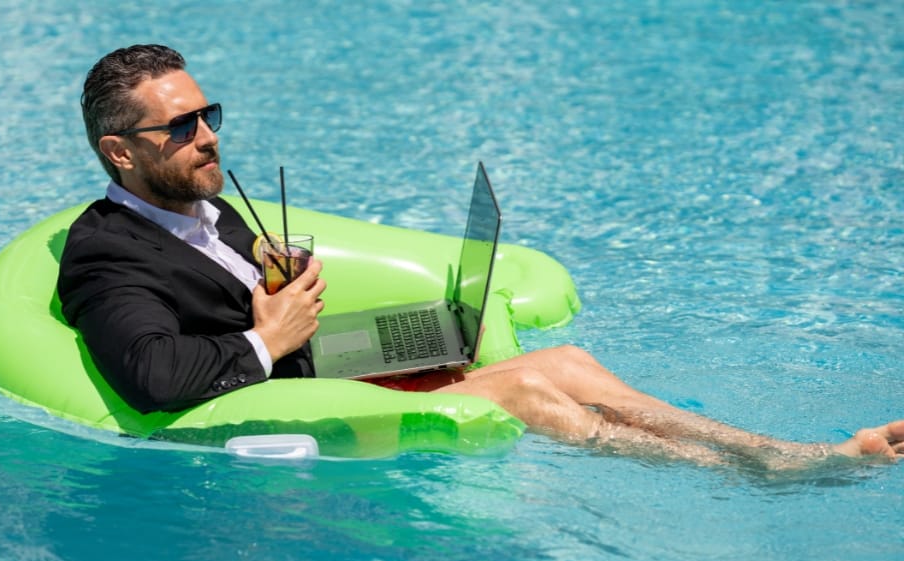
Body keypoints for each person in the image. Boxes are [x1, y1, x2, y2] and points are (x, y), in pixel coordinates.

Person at [58, 44, 903, 471]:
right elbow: (152, 375)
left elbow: (226, 286)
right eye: (180, 126)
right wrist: (269, 336)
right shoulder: (106, 254)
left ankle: (766, 450)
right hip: (278, 396)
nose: (207, 136)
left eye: (208, 115)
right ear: (120, 152)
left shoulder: (203, 204)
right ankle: (774, 471)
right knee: (530, 391)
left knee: (566, 359)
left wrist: (269, 271)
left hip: (318, 357)